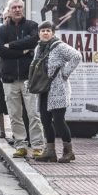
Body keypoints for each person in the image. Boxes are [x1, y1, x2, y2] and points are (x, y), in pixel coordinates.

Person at [0, 0, 43, 159]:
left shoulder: (31, 26)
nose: (17, 10)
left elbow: (34, 40)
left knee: (33, 114)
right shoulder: (2, 30)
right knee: (14, 114)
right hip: (9, 78)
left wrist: (12, 45)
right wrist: (23, 50)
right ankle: (21, 145)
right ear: (9, 10)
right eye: (14, 7)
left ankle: (37, 146)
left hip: (28, 78)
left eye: (20, 7)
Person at [34, 21, 82, 162]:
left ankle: (68, 151)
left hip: (58, 90)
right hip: (43, 89)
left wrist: (64, 73)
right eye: (43, 30)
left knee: (59, 121)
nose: (45, 33)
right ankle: (50, 151)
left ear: (53, 33)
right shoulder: (38, 48)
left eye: (48, 30)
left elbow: (76, 56)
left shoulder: (59, 46)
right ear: (39, 33)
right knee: (45, 120)